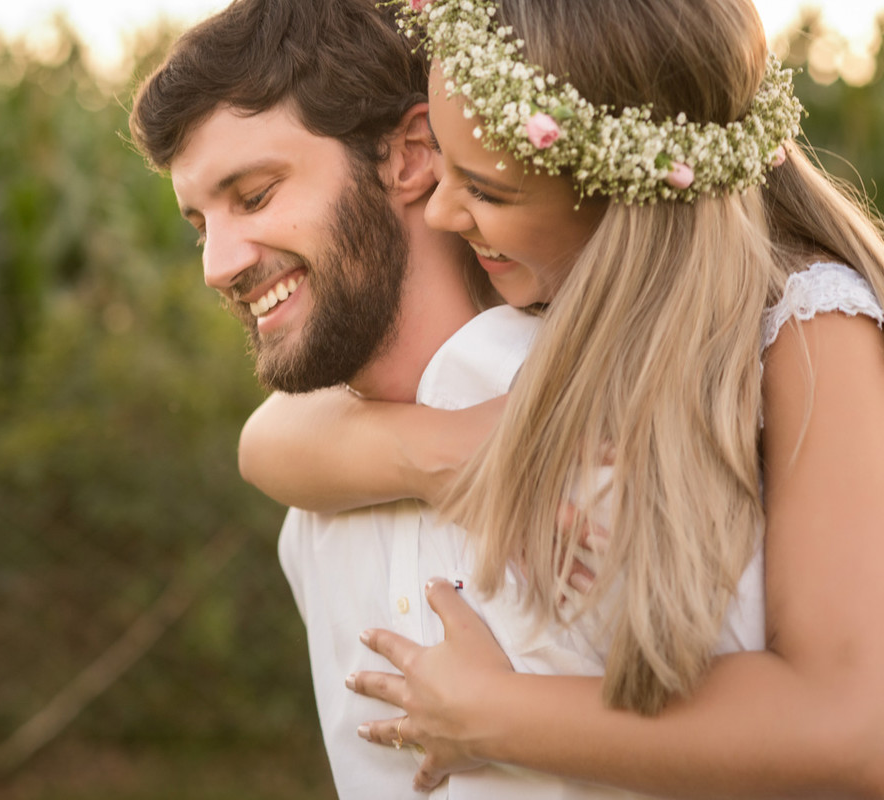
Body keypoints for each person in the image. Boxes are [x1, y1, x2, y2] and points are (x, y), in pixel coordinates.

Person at [240, 0, 884, 796]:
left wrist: (490, 712)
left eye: (486, 189)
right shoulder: (541, 265)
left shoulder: (810, 327)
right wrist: (475, 452)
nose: (441, 211)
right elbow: (271, 437)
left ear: (620, 190)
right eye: (442, 161)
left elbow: (849, 728)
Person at [129, 0, 691, 797]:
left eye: (253, 196)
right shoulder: (314, 511)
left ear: (410, 156)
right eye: (199, 224)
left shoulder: (624, 422)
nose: (217, 265)